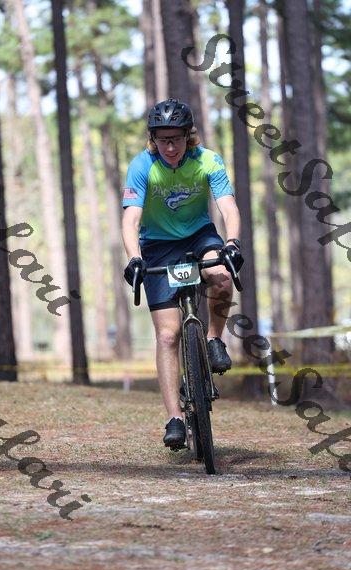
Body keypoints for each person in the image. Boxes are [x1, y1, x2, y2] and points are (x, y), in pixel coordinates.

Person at [121, 98, 243, 448]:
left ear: (189, 136)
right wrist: (134, 258)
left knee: (221, 275)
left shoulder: (208, 160)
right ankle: (175, 417)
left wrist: (232, 242)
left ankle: (214, 339)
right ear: (153, 139)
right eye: (163, 140)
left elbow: (228, 207)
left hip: (199, 236)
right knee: (167, 335)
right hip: (158, 245)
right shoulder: (142, 165)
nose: (170, 147)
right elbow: (130, 219)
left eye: (176, 139)